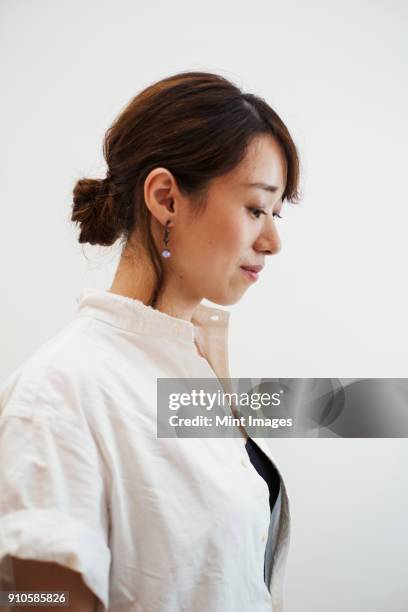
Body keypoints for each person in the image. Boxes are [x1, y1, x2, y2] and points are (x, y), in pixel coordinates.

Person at [0, 71, 301, 612]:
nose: (274, 240)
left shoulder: (191, 369)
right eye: (257, 208)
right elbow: (27, 594)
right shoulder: (62, 391)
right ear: (166, 198)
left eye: (276, 215)